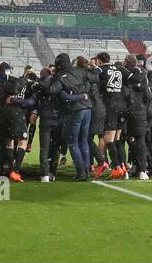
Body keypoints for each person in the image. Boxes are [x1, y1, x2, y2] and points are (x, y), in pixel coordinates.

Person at [48, 53, 93, 181]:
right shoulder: (79, 71)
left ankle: (81, 172)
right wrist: (83, 94)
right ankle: (87, 169)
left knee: (72, 142)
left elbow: (55, 91)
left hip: (75, 110)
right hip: (87, 107)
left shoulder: (60, 77)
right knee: (83, 141)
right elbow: (92, 79)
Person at [94, 52, 128, 180]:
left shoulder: (100, 69)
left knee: (108, 139)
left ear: (99, 60)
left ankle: (117, 168)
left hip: (111, 106)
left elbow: (92, 75)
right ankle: (123, 166)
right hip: (122, 106)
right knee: (117, 139)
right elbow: (131, 77)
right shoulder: (119, 69)